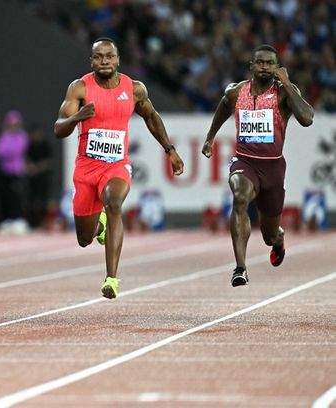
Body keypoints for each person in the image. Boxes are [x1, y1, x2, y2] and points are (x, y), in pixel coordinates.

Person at [54, 37, 184, 299]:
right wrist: (77, 117)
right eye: (98, 57)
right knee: (84, 239)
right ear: (91, 61)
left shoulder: (134, 89)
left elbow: (151, 117)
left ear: (118, 60)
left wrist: (170, 150)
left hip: (116, 165)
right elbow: (59, 128)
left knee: (114, 203)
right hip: (86, 168)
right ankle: (99, 227)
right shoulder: (79, 88)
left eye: (109, 56)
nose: (104, 61)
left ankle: (111, 278)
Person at [201, 44, 314, 287]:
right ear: (251, 66)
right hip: (245, 161)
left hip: (273, 168)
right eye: (260, 62)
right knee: (239, 197)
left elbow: (307, 119)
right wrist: (210, 137)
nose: (264, 67)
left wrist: (287, 83)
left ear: (277, 67)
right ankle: (240, 268)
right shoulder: (236, 92)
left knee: (269, 236)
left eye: (270, 63)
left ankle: (278, 238)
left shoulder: (284, 93)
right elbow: (223, 106)